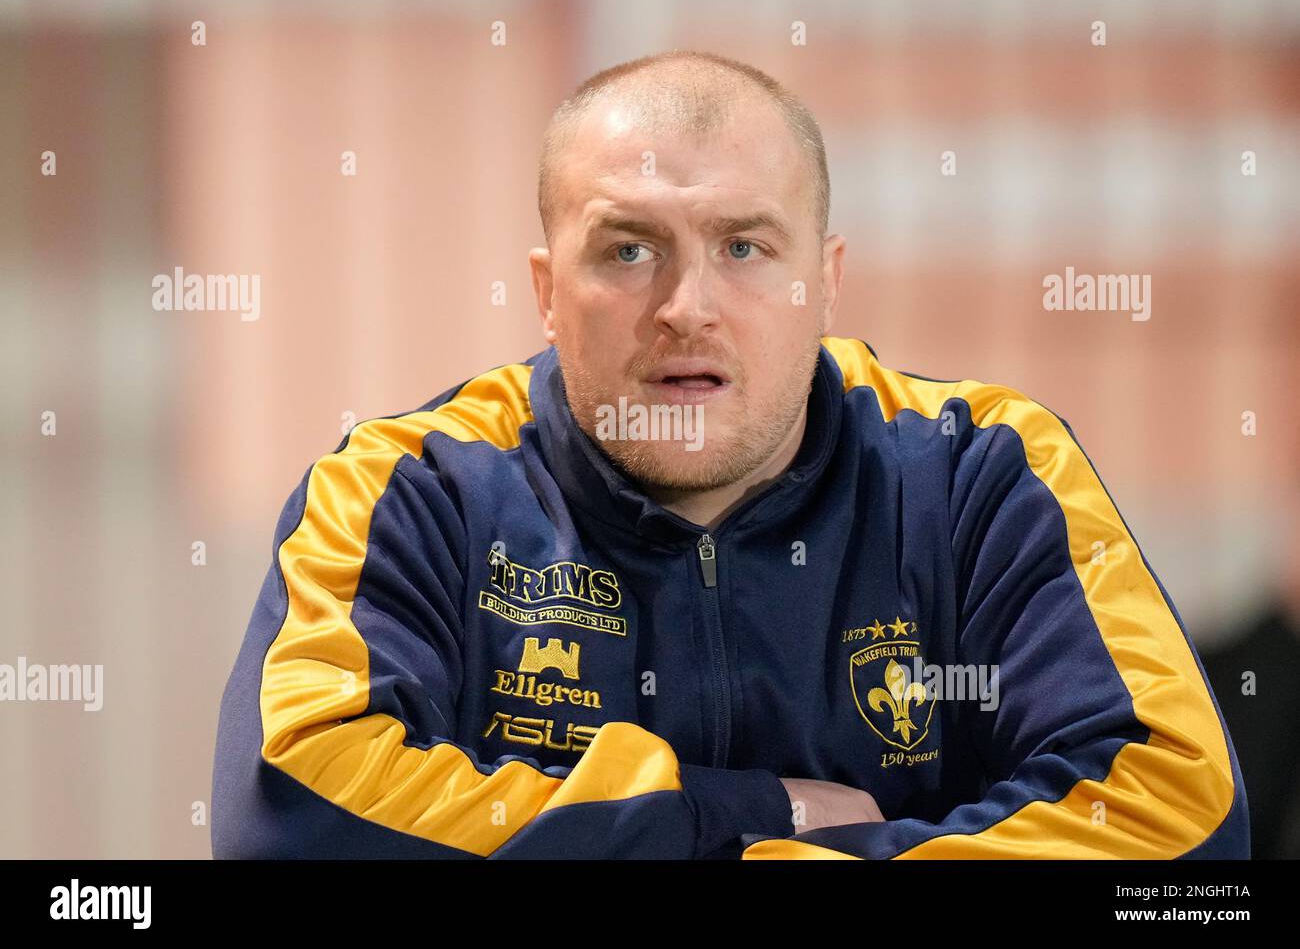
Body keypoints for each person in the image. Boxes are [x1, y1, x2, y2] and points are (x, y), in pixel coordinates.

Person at [211, 49, 1248, 859]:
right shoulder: (408, 489)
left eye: (745, 248)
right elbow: (298, 815)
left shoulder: (980, 471)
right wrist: (734, 811)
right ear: (543, 288)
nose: (687, 308)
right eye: (627, 249)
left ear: (825, 280)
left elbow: (1177, 825)